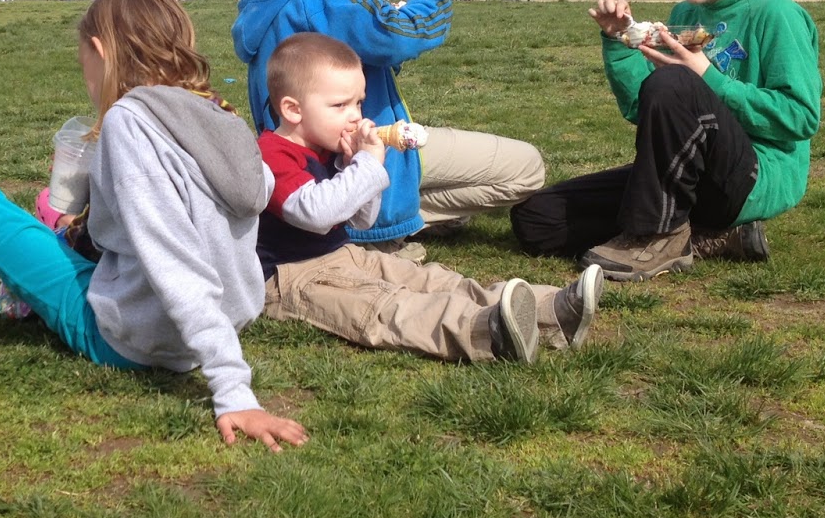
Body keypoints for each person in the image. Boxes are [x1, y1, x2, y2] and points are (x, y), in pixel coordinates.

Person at [0, 0, 308, 451]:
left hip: (138, 337)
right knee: (58, 227)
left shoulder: (129, 122)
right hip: (222, 320)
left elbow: (174, 258)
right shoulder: (219, 114)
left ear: (100, 51)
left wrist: (233, 390)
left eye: (84, 65)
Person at [509, 0, 822, 281]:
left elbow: (800, 117)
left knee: (675, 80)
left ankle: (657, 235)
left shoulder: (776, 13)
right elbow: (643, 109)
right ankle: (715, 236)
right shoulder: (684, 13)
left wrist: (706, 77)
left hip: (753, 176)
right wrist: (620, 41)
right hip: (688, 173)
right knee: (537, 220)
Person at [233, 0, 546, 247]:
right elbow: (390, 36)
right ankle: (383, 221)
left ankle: (399, 211)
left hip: (312, 167)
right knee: (528, 168)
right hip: (360, 153)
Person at [257, 33, 601, 363]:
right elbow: (316, 214)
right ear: (293, 110)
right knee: (387, 306)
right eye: (340, 105)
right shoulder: (272, 156)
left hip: (343, 254)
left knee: (430, 279)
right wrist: (365, 166)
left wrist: (354, 166)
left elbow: (360, 220)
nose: (356, 115)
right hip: (292, 276)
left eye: (358, 102)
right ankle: (489, 332)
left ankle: (549, 310)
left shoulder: (324, 148)